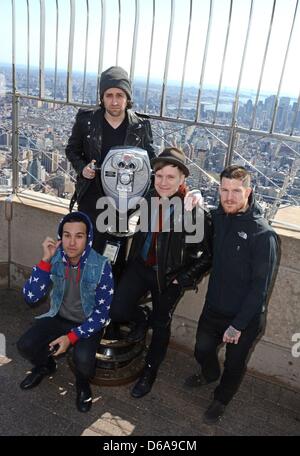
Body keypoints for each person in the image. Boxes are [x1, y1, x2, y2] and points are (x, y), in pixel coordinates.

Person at [109, 147, 213, 398]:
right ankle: (141, 318)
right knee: (117, 309)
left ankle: (149, 372)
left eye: (170, 177)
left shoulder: (193, 210)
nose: (163, 182)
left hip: (169, 276)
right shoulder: (148, 198)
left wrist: (184, 278)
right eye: (159, 176)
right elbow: (120, 215)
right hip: (141, 265)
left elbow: (208, 255)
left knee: (161, 325)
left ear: (182, 180)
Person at [185, 165, 279, 425]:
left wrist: (237, 325)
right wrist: (194, 200)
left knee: (234, 366)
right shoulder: (220, 217)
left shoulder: (263, 235)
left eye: (236, 191)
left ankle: (221, 399)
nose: (229, 197)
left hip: (244, 318)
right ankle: (209, 373)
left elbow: (260, 288)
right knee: (202, 350)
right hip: (214, 307)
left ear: (248, 192)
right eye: (224, 190)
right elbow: (201, 221)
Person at [17, 212, 114, 413]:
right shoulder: (56, 258)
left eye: (79, 236)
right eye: (67, 235)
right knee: (25, 345)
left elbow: (101, 315)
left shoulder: (102, 265)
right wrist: (45, 260)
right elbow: (30, 297)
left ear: (88, 238)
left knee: (84, 361)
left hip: (87, 323)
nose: (72, 242)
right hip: (58, 316)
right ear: (60, 237)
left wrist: (71, 337)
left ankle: (82, 384)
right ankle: (45, 366)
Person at [65, 66, 156, 279]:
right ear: (102, 97)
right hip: (92, 196)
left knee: (115, 253)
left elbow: (151, 161)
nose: (114, 101)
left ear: (127, 97)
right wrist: (82, 168)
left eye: (120, 95)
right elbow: (72, 149)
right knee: (88, 249)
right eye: (109, 95)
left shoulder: (141, 125)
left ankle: (108, 301)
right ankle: (83, 300)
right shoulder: (86, 120)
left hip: (125, 200)